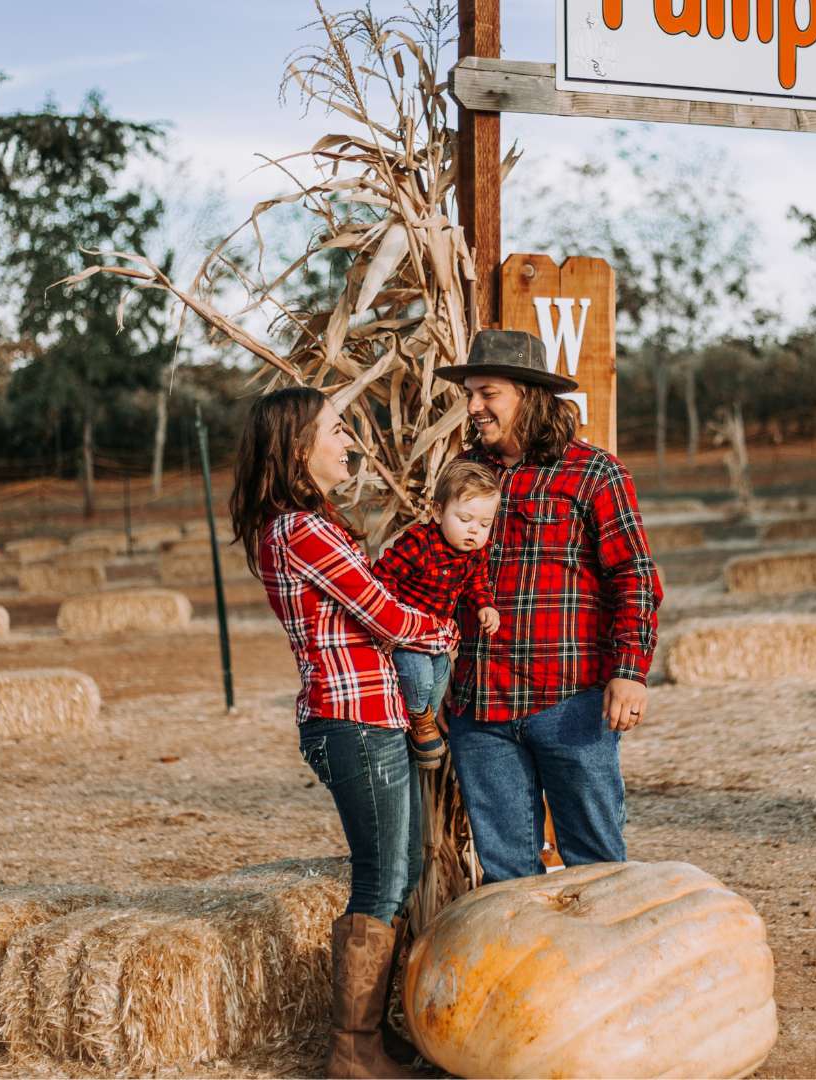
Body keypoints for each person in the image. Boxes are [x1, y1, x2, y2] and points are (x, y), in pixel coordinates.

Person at [230, 385, 456, 1079]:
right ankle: (351, 1050)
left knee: (399, 870)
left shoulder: (299, 524)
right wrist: (443, 630)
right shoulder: (302, 529)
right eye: (336, 429)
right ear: (299, 448)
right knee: (384, 877)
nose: (350, 440)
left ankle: (367, 1042)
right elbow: (384, 616)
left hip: (360, 716)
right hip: (354, 718)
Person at [431, 329, 664, 883]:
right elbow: (437, 576)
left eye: (487, 392)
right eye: (469, 393)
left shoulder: (593, 472)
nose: (473, 406)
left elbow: (633, 576)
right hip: (480, 707)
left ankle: (606, 969)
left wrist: (630, 672)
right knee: (506, 875)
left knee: (597, 865)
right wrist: (438, 681)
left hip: (570, 704)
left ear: (529, 395)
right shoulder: (466, 474)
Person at [370, 459, 503, 768]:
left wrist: (485, 605)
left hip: (437, 634)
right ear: (439, 511)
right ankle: (420, 720)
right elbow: (383, 575)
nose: (474, 529)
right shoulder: (418, 543)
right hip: (406, 631)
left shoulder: (474, 553)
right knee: (417, 671)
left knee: (440, 675)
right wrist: (390, 613)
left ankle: (419, 720)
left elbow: (476, 582)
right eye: (466, 518)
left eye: (484, 524)